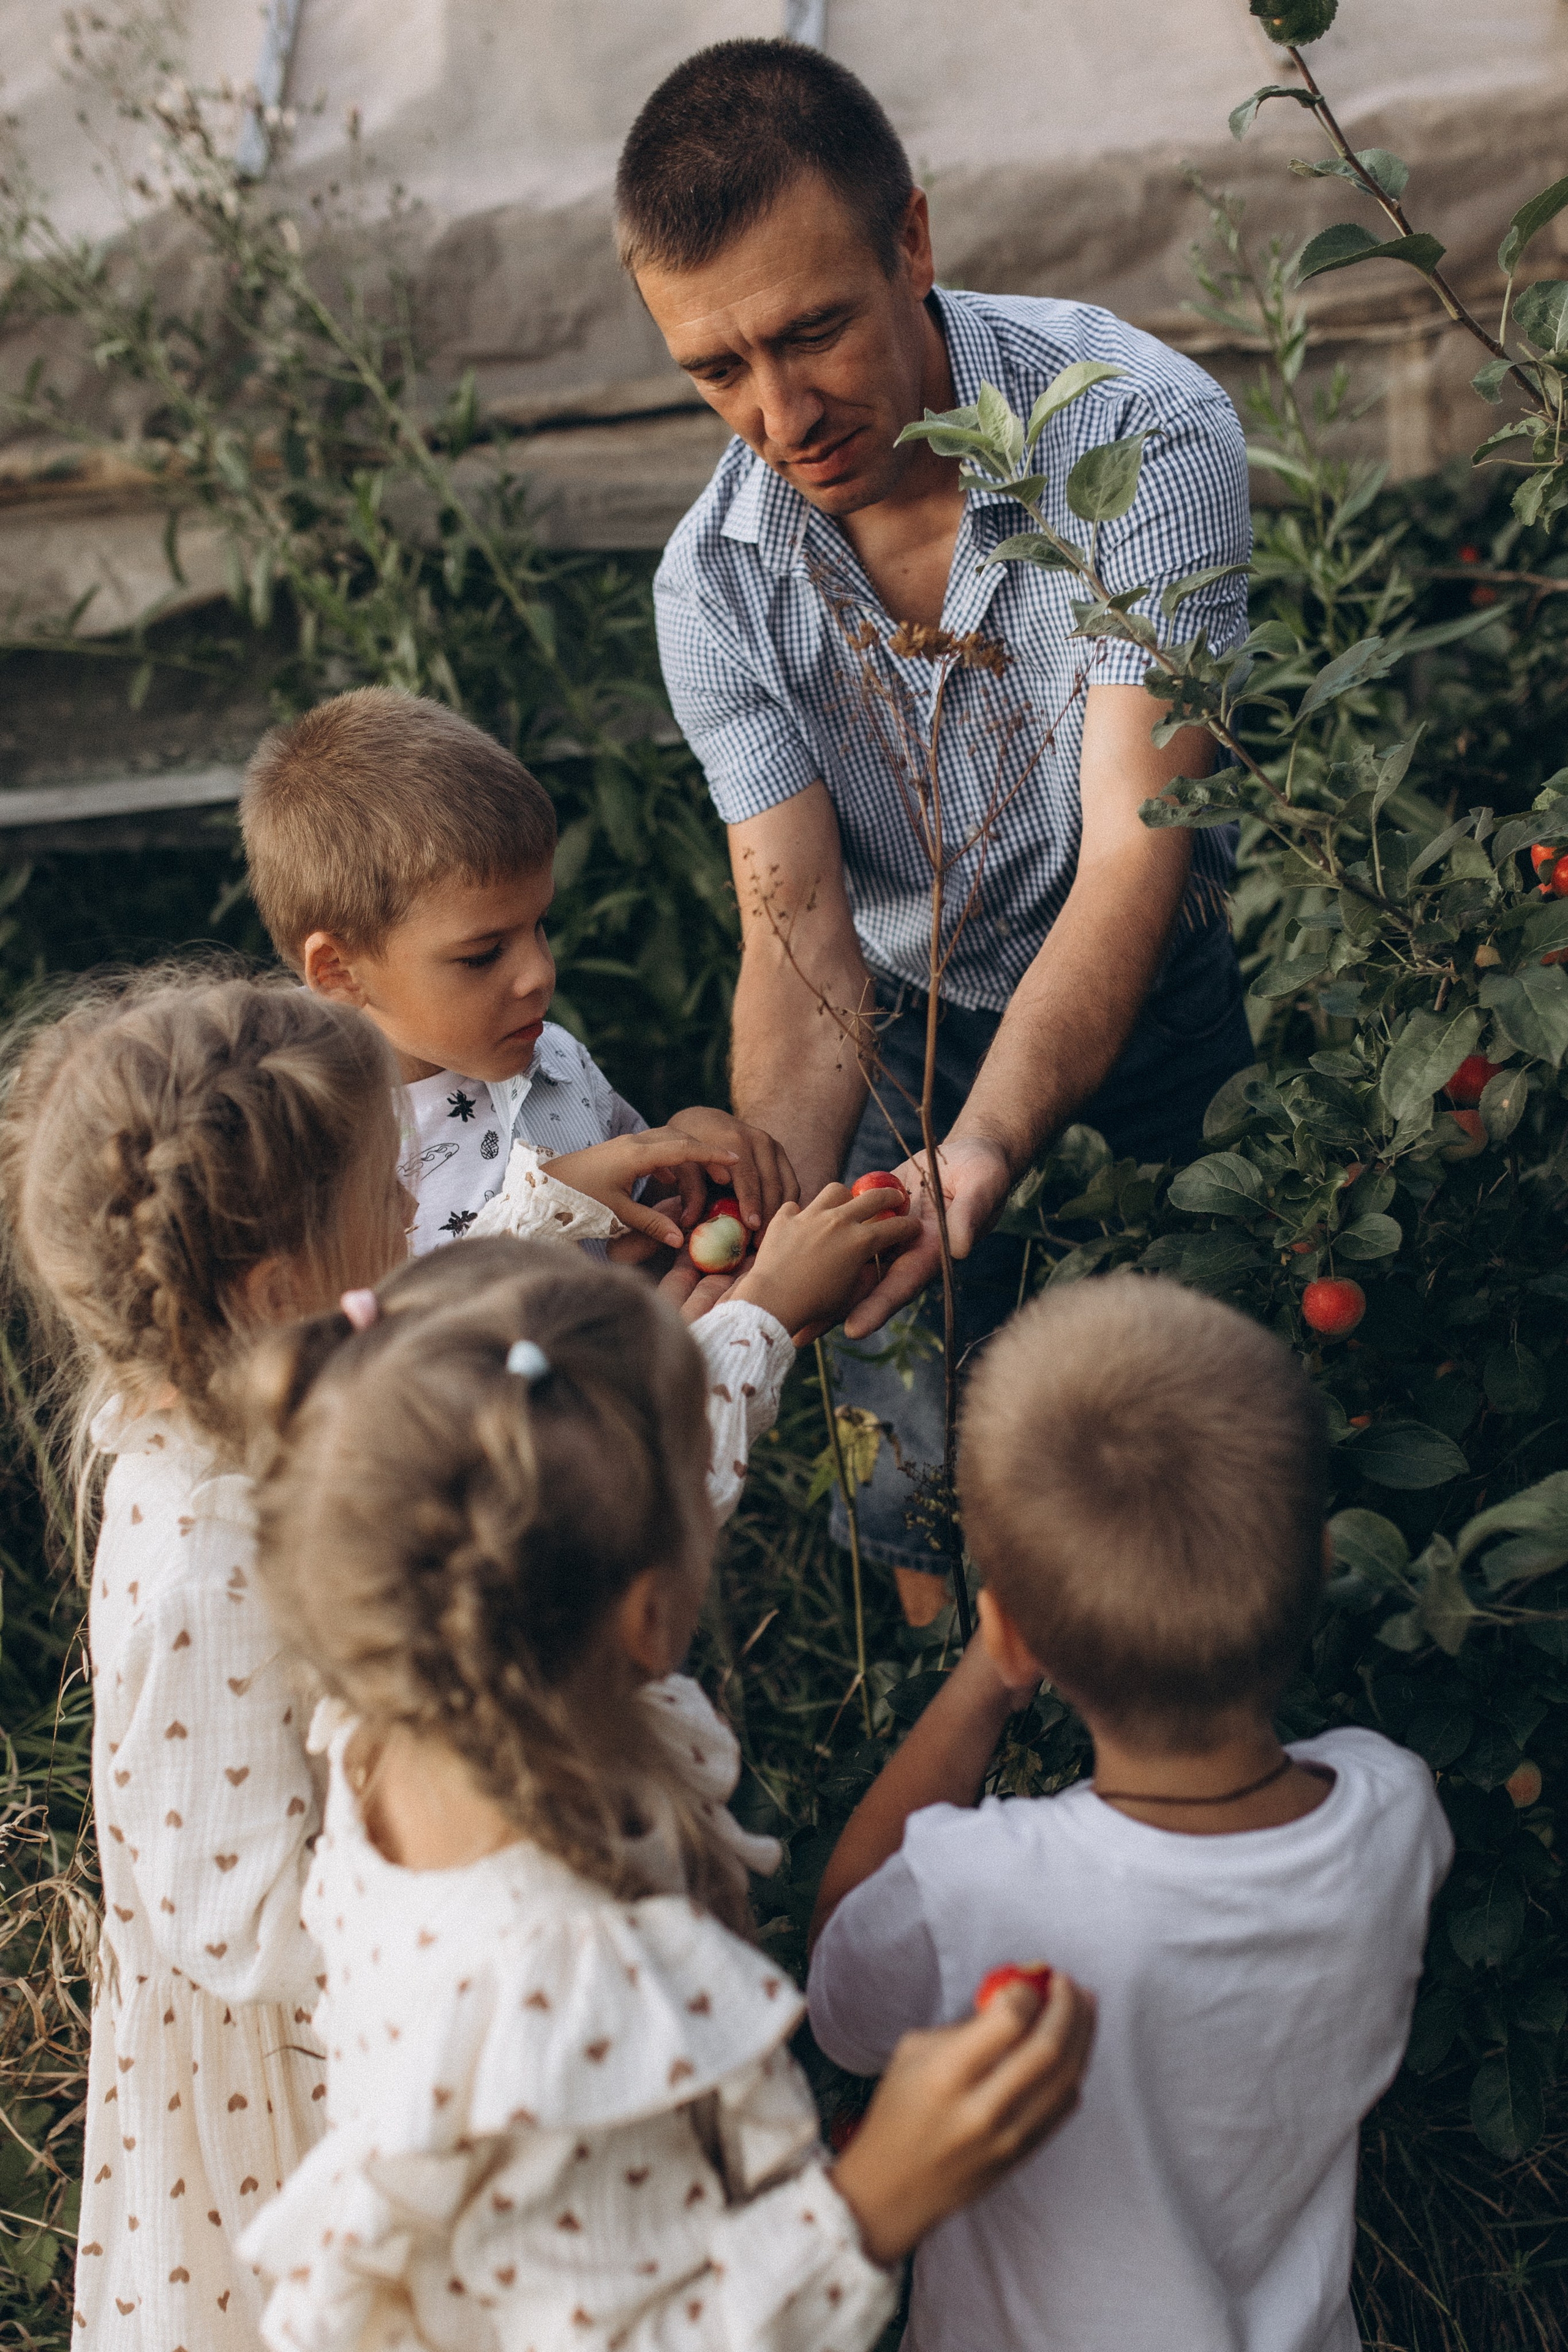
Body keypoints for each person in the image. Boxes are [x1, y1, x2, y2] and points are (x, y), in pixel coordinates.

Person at [619, 38, 1256, 1602]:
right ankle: (943, 1690)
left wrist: (984, 1147)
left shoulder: (1136, 440)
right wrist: (762, 1214)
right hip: (901, 1010)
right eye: (715, 369)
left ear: (910, 238)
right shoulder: (715, 585)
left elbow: (1131, 851)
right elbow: (802, 938)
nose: (777, 413)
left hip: (1147, 974)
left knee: (1224, 1403)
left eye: (811, 331)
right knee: (896, 1446)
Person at [235, 1237, 1096, 2352]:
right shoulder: (566, 1983)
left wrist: (760, 1321)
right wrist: (877, 2197)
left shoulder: (382, 1730)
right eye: (697, 1489)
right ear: (647, 1617)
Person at [805, 1276, 1454, 2352]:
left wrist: (985, 1677)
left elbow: (841, 1989)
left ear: (1016, 1635)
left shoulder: (993, 1885)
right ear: (1322, 1569)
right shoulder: (1394, 1808)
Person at [0, 970, 409, 2350]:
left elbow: (397, 1307)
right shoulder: (205, 1561)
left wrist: (572, 1214)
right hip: (297, 2104)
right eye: (393, 1198)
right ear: (282, 1284)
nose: (418, 1219)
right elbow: (238, 1926)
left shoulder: (232, 1401)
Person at [240, 685, 799, 1260]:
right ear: (339, 972)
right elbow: (369, 1338)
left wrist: (687, 1160)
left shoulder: (552, 1058)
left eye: (540, 926)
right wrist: (546, 1210)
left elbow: (638, 1209)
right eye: (482, 955)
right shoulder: (306, 1146)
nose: (538, 974)